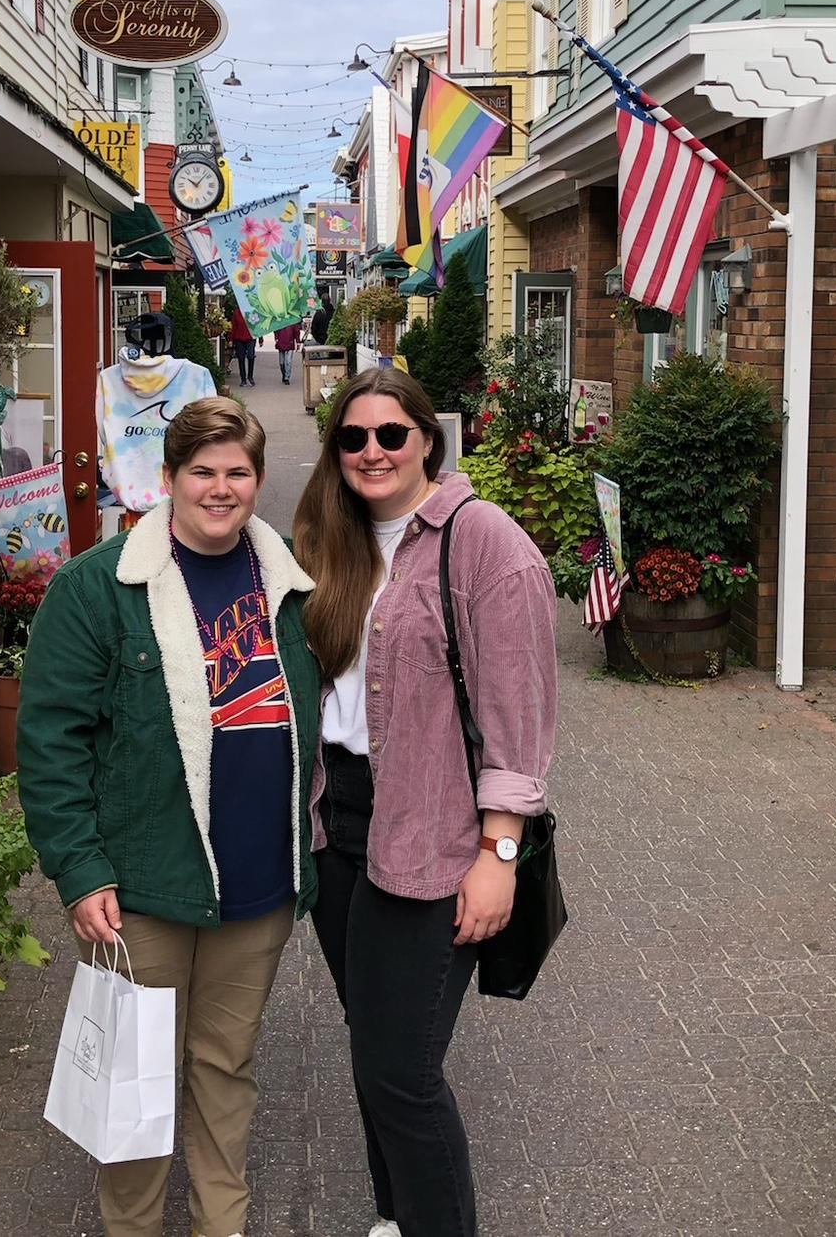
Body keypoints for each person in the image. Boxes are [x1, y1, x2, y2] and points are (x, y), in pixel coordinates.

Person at [18, 397, 321, 1237]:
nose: (220, 489)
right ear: (169, 480)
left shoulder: (289, 580)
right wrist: (80, 872)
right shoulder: (97, 589)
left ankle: (222, 1226)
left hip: (257, 884)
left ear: (258, 480)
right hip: (141, 889)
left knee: (226, 1069)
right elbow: (49, 746)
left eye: (238, 472)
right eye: (203, 472)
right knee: (137, 1083)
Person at [292, 369, 557, 1237]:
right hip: (340, 824)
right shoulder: (333, 541)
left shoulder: (486, 545)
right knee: (373, 1049)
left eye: (391, 434)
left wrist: (499, 854)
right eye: (353, 437)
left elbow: (518, 720)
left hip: (440, 835)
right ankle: (394, 1216)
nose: (372, 451)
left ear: (428, 441)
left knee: (402, 1069)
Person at [228, 304, 257, 386]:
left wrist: (260, 338)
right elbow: (233, 326)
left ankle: (250, 377)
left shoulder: (252, 311)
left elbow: (257, 325)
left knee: (251, 356)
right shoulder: (237, 312)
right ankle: (243, 379)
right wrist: (230, 339)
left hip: (251, 338)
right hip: (239, 339)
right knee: (241, 358)